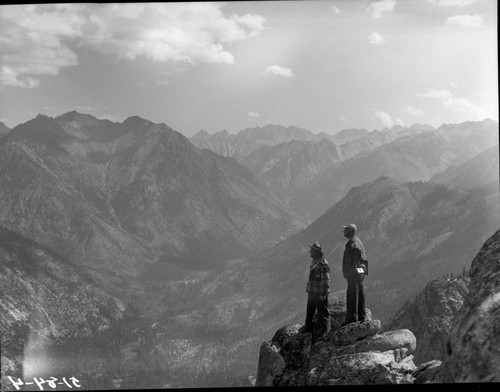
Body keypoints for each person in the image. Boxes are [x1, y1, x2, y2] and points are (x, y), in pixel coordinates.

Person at [299, 242, 330, 335]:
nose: (310, 252)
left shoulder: (323, 264)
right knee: (310, 311)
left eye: (312, 250)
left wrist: (323, 294)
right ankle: (308, 327)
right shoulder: (314, 262)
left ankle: (326, 332)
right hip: (312, 292)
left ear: (316, 252)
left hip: (319, 293)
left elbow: (326, 280)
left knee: (323, 313)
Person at [341, 224, 368, 326]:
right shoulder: (356, 241)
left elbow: (356, 261)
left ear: (351, 231)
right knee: (360, 292)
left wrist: (352, 272)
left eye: (346, 229)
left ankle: (352, 318)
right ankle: (361, 316)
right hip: (359, 271)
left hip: (354, 273)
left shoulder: (354, 244)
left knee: (352, 294)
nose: (344, 231)